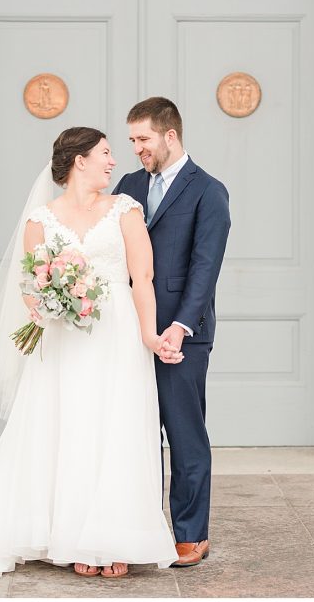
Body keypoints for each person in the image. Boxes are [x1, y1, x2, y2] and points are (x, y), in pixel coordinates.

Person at [0, 127, 180, 582]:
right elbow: (31, 288)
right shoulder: (40, 221)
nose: (112, 162)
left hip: (117, 335)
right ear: (79, 160)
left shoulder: (126, 210)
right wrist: (52, 302)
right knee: (69, 426)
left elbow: (141, 279)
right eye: (105, 154)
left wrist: (149, 334)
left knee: (115, 425)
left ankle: (112, 536)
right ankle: (71, 536)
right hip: (64, 338)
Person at [112, 97, 231, 568]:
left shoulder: (209, 191)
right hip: (130, 332)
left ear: (170, 136)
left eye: (142, 139)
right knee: (135, 434)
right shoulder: (126, 186)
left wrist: (179, 328)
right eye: (132, 141)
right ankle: (139, 528)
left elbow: (205, 268)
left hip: (184, 336)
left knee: (184, 435)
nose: (136, 149)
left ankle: (190, 534)